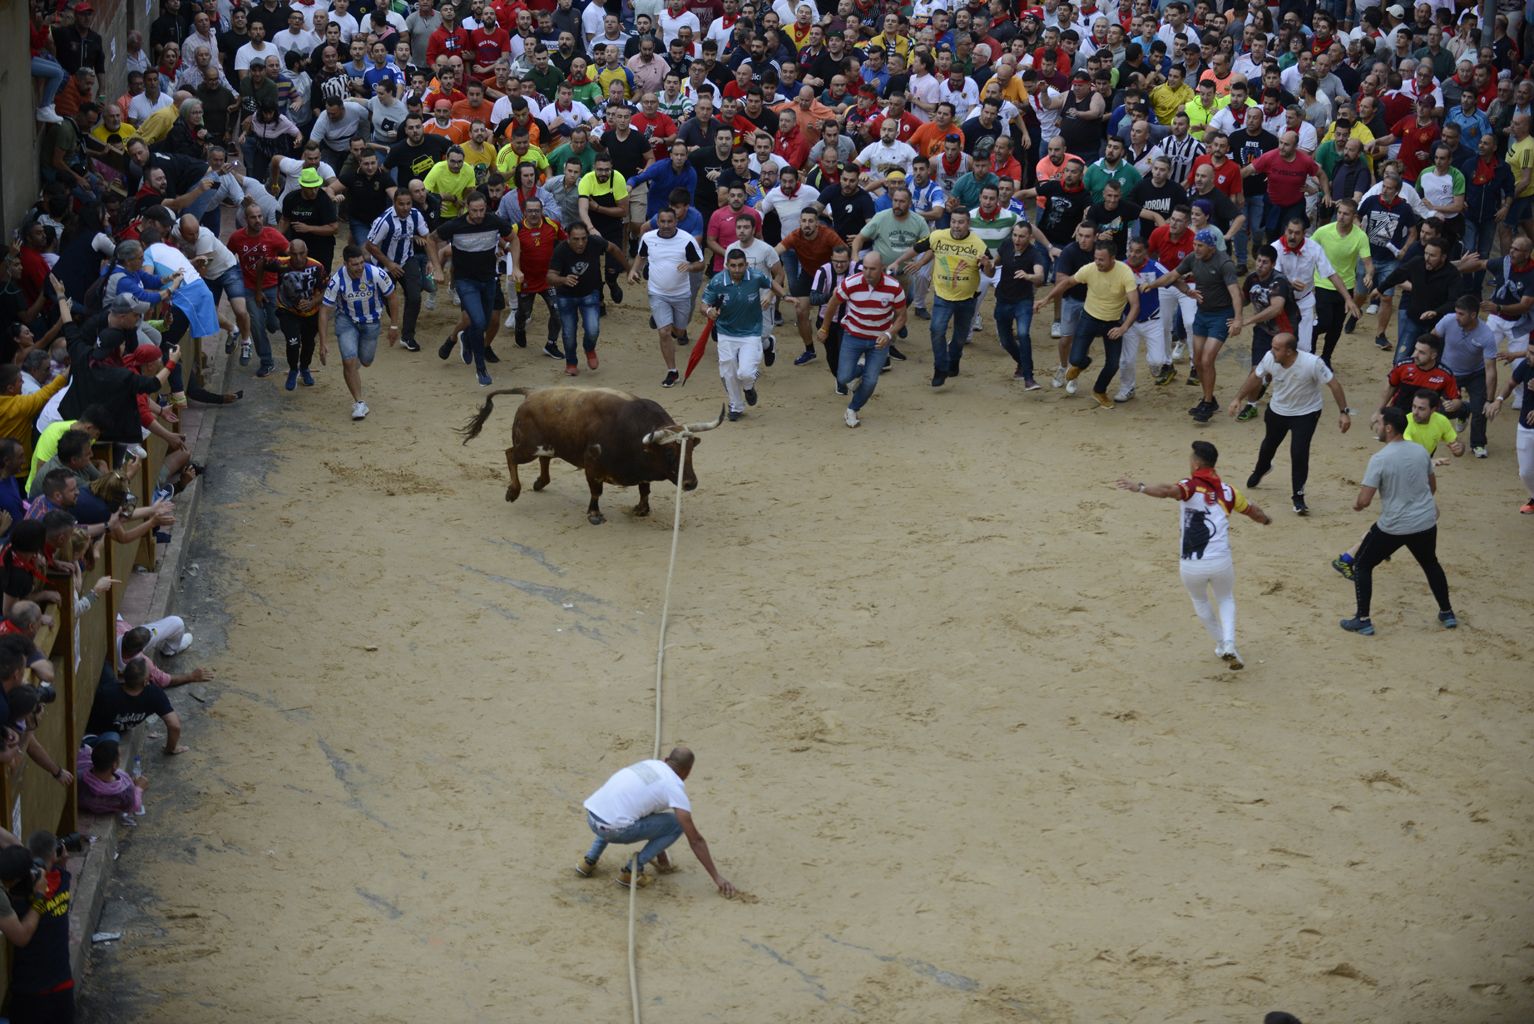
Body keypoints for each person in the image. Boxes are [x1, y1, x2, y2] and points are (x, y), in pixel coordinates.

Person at [1116, 440, 1271, 671]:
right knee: (1226, 598)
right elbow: (1253, 511)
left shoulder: (1189, 486)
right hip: (1220, 561)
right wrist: (1266, 520)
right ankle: (1229, 642)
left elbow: (1168, 491)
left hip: (1191, 563)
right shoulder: (1228, 491)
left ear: (1196, 463)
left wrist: (1140, 487)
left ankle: (1221, 643)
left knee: (1200, 600)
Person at [1340, 405, 1456, 636]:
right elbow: (1431, 487)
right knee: (1430, 563)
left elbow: (1364, 500)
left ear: (1389, 428)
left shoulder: (1380, 459)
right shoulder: (1420, 451)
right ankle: (1447, 613)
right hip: (1425, 522)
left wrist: (1356, 505)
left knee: (1362, 564)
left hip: (1395, 525)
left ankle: (1363, 619)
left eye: (1379, 423)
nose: (1377, 427)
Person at [576, 746, 734, 895]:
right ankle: (631, 872)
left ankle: (588, 862)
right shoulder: (674, 787)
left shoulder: (649, 764)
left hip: (592, 817)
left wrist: (661, 854)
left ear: (666, 760)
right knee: (677, 824)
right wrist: (717, 877)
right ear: (688, 772)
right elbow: (695, 840)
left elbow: (642, 811)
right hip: (615, 831)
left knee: (620, 810)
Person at [1228, 333, 1354, 516]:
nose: (1272, 351)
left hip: (1306, 413)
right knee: (1268, 445)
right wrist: (1238, 398)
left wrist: (1344, 412)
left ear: (1289, 351)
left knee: (1299, 452)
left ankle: (1298, 497)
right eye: (1272, 347)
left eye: (1277, 349)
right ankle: (1262, 468)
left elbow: (1334, 385)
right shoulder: (1270, 358)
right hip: (1278, 410)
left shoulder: (1313, 363)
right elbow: (1255, 377)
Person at [1140, 228, 1243, 422]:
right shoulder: (1192, 258)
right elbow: (1172, 276)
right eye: (1195, 244)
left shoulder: (1224, 263)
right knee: (1197, 360)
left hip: (1221, 316)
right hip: (1203, 314)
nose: (1195, 248)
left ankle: (1206, 402)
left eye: (1200, 246)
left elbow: (1235, 292)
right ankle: (1209, 399)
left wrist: (1238, 319)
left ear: (1211, 247)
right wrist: (1153, 285)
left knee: (1206, 360)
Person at [894, 208, 990, 387]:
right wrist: (898, 261)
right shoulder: (938, 236)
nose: (956, 226)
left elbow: (989, 271)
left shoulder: (978, 244)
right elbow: (917, 248)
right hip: (942, 296)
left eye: (961, 222)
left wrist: (987, 264)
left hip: (967, 298)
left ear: (968, 224)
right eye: (953, 221)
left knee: (960, 337)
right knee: (936, 330)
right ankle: (940, 367)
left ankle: (954, 361)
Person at [1041, 239, 1140, 408]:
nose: (1097, 263)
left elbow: (1135, 305)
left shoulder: (1125, 273)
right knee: (1076, 358)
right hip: (1090, 318)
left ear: (1113, 258)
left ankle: (1099, 390)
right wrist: (1047, 298)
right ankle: (1082, 364)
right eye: (1095, 258)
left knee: (1113, 364)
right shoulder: (1090, 269)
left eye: (1101, 259)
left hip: (1113, 322)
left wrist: (1123, 328)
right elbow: (1067, 282)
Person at [429, 192, 513, 387]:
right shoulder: (456, 226)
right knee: (477, 320)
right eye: (474, 210)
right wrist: (437, 268)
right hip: (466, 281)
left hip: (489, 279)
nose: (478, 215)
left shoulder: (493, 222)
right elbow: (432, 240)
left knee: (483, 322)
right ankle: (480, 368)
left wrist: (514, 265)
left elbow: (512, 239)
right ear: (466, 207)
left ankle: (464, 337)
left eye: (482, 210)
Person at [816, 251, 907, 429]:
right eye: (865, 268)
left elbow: (902, 317)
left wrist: (889, 334)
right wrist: (824, 328)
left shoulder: (894, 287)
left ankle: (852, 408)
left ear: (882, 268)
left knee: (871, 380)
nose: (867, 273)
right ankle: (863, 371)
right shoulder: (851, 283)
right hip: (853, 336)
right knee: (843, 378)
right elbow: (833, 304)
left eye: (872, 269)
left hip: (878, 341)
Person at [700, 248, 786, 420]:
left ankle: (748, 387)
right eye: (733, 266)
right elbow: (703, 305)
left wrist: (785, 296)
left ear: (746, 264)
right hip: (726, 332)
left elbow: (772, 283)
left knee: (745, 373)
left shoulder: (755, 276)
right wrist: (709, 311)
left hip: (751, 332)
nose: (737, 270)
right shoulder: (717, 281)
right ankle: (736, 406)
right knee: (728, 372)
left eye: (741, 265)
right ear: (727, 266)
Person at [319, 245, 402, 420]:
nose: (359, 268)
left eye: (361, 263)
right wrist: (323, 342)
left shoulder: (376, 273)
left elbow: (393, 297)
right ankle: (359, 403)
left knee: (366, 361)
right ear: (345, 264)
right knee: (349, 361)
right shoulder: (337, 280)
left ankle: (353, 364)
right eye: (354, 264)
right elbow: (325, 310)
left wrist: (394, 326)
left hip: (371, 322)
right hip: (346, 321)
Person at [629, 209, 707, 389]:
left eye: (669, 222)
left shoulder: (687, 239)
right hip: (657, 293)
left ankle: (666, 322)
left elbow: (701, 263)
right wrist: (634, 270)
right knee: (664, 332)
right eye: (662, 221)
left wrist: (689, 266)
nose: (665, 225)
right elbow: (641, 257)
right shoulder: (648, 238)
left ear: (676, 222)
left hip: (681, 295)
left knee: (679, 331)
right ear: (658, 222)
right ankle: (672, 371)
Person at [547, 223, 629, 374]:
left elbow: (614, 249)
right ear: (568, 238)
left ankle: (589, 348)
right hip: (566, 296)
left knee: (593, 329)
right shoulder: (560, 250)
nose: (580, 243)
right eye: (576, 239)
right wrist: (563, 280)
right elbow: (550, 276)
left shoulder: (595, 242)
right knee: (569, 332)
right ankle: (571, 363)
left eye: (584, 239)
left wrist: (628, 268)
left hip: (590, 293)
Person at [1430, 296, 1500, 459]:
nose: (1457, 317)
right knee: (1442, 410)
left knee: (1480, 409)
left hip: (1475, 374)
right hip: (1449, 373)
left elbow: (1491, 369)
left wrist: (1489, 399)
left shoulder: (1486, 334)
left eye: (1461, 314)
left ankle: (1478, 444)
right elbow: (1432, 338)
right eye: (1456, 312)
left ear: (1473, 315)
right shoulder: (1448, 321)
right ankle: (1464, 410)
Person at [275, 239, 327, 390]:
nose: (298, 258)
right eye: (294, 254)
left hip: (311, 312)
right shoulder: (280, 263)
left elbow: (326, 291)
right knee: (293, 342)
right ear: (288, 253)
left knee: (309, 343)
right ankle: (293, 369)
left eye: (301, 254)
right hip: (287, 310)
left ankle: (304, 368)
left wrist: (312, 302)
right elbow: (261, 264)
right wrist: (258, 291)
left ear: (307, 252)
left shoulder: (317, 267)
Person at [1489, 357, 1534, 513]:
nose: (1529, 356)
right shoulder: (1526, 364)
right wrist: (1499, 400)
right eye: (1529, 351)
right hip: (1526, 426)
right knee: (1525, 472)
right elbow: (1510, 383)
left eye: (1533, 353)